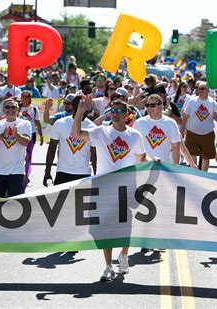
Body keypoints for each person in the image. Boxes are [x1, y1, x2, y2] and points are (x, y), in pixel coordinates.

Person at [71, 97, 148, 282]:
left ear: (127, 114)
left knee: (125, 227)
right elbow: (76, 135)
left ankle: (124, 255)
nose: (116, 113)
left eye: (120, 110)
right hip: (103, 187)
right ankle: (107, 266)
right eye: (113, 110)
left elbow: (142, 158)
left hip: (126, 188)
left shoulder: (135, 135)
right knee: (105, 229)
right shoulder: (101, 131)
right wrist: (80, 111)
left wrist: (156, 163)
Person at [44, 95, 97, 186]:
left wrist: (97, 176)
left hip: (83, 173)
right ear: (73, 106)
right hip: (63, 172)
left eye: (86, 106)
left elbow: (94, 155)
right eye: (80, 105)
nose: (83, 108)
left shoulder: (93, 128)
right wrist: (47, 172)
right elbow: (52, 148)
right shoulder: (60, 124)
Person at [0, 98, 31, 197]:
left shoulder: (25, 124)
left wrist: (16, 135)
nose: (10, 109)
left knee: (13, 205)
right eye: (7, 107)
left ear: (18, 109)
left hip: (16, 172)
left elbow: (26, 142)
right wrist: (2, 135)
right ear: (3, 109)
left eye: (13, 107)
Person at [181, 82, 217, 171]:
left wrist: (216, 116)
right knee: (192, 155)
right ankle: (195, 173)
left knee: (206, 157)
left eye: (203, 89)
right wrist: (182, 129)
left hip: (207, 134)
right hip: (192, 133)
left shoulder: (212, 102)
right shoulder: (192, 101)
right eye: (199, 88)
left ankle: (204, 175)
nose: (200, 90)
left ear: (208, 91)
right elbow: (185, 116)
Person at [133, 94, 181, 164]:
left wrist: (176, 167)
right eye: (147, 105)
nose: (149, 108)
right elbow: (134, 147)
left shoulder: (171, 123)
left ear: (161, 106)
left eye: (152, 105)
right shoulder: (139, 123)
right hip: (144, 166)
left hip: (164, 166)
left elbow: (176, 147)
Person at [19, 91, 44, 190]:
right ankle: (19, 175)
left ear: (30, 98)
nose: (25, 98)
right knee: (20, 155)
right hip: (19, 134)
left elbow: (37, 122)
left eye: (27, 96)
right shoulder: (17, 108)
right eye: (23, 96)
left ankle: (26, 176)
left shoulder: (34, 108)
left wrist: (41, 136)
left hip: (31, 134)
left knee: (28, 157)